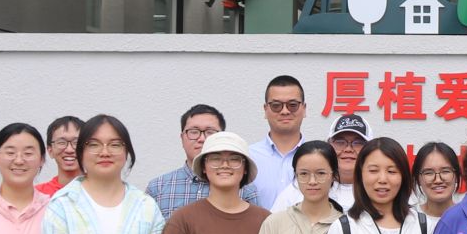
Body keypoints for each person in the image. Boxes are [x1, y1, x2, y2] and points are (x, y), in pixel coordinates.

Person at [146, 105, 264, 217]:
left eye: (210, 132)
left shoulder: (246, 189)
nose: (202, 139)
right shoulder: (158, 187)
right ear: (182, 138)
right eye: (194, 132)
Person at [268, 112, 360, 212]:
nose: (348, 149)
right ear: (329, 145)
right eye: (340, 142)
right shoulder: (299, 189)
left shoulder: (371, 189)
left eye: (358, 143)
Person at [248, 75, 307, 204]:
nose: (285, 111)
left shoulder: (318, 157)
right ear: (265, 109)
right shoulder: (247, 157)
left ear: (304, 109)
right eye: (276, 105)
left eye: (292, 105)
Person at [412, 141, 462, 221]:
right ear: (418, 179)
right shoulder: (409, 218)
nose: (438, 180)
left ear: (456, 175)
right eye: (429, 173)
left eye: (445, 171)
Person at [37, 115, 82, 196]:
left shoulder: (100, 190)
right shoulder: (38, 194)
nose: (69, 150)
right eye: (61, 142)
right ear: (50, 150)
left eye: (76, 142)